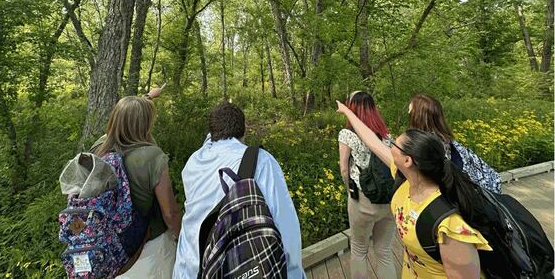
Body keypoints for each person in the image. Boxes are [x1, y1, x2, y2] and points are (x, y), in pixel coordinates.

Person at [336, 101, 492, 279]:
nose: (390, 145)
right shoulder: (404, 180)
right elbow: (370, 140)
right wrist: (348, 112)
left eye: (395, 145)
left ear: (408, 161)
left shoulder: (450, 227)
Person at [173, 101, 306, 279]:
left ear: (211, 132)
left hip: (191, 269)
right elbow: (285, 223)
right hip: (239, 266)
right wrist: (295, 273)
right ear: (244, 129)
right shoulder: (261, 162)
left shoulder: (194, 163)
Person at [91, 87, 181, 279]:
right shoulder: (152, 156)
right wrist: (183, 238)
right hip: (148, 246)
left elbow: (127, 113)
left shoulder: (99, 148)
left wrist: (148, 97)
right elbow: (170, 212)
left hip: (110, 245)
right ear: (144, 124)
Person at [338, 91, 397, 279]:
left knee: (358, 250)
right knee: (384, 251)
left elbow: (344, 169)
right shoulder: (386, 135)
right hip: (389, 200)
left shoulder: (347, 134)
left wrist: (349, 190)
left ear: (352, 107)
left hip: (363, 200)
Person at [408, 94, 501, 193]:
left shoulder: (429, 145)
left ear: (418, 117)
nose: (408, 114)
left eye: (410, 113)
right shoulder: (443, 139)